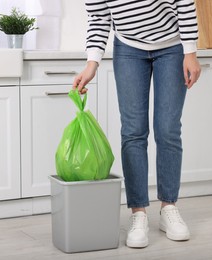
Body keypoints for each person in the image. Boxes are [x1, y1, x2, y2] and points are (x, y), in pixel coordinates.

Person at [73, 0, 201, 248]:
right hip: (129, 48)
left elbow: (184, 3)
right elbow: (99, 17)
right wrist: (92, 63)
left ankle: (168, 208)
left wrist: (190, 52)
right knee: (133, 131)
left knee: (168, 130)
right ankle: (138, 212)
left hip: (172, 45)